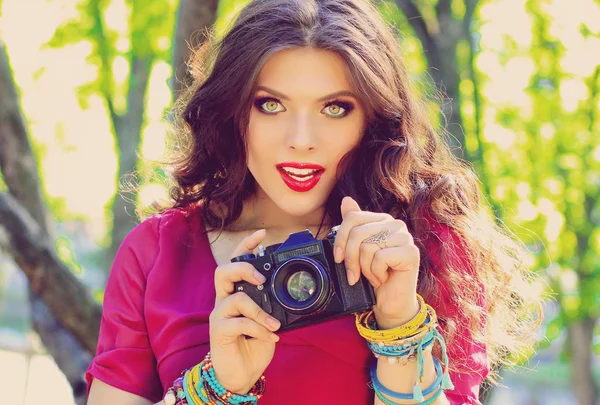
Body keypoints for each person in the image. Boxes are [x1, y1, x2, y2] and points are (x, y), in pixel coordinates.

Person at [85, 0, 542, 404]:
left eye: (335, 108)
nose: (301, 140)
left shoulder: (426, 243)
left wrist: (399, 326)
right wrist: (218, 386)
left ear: (373, 119)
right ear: (234, 111)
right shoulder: (156, 255)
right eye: (270, 105)